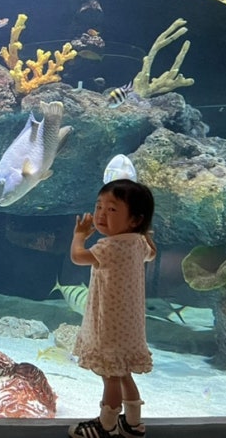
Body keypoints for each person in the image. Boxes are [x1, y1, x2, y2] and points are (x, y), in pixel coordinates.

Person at [68, 179, 156, 438]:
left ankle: (106, 426)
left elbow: (77, 257)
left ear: (135, 219)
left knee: (111, 377)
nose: (101, 214)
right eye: (99, 207)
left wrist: (79, 236)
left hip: (109, 327)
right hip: (131, 328)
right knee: (124, 372)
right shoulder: (138, 243)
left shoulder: (108, 247)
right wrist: (145, 233)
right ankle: (134, 424)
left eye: (112, 209)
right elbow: (152, 252)